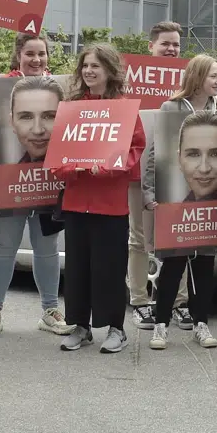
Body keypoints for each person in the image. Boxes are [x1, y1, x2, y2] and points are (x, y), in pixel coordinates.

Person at [0, 32, 70, 337]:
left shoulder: (60, 90)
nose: (36, 60)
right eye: (30, 54)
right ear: (18, 57)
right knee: (3, 248)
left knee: (47, 248)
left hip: (50, 184)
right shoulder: (0, 91)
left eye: (41, 54)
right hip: (9, 183)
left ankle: (50, 310)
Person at [55, 44, 146, 355]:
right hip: (77, 200)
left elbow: (136, 149)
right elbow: (58, 157)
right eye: (85, 66)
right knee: (78, 267)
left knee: (109, 267)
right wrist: (74, 167)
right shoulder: (72, 107)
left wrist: (108, 167)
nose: (89, 71)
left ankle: (116, 329)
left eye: (95, 66)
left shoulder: (123, 108)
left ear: (109, 70)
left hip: (110, 203)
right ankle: (80, 326)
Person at [144, 56, 217, 351]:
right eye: (214, 76)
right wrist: (149, 193)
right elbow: (156, 155)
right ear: (197, 77)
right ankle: (160, 324)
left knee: (205, 263)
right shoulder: (171, 109)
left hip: (211, 201)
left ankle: (201, 322)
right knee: (173, 263)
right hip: (176, 200)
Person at [130, 21, 189, 331]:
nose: (171, 49)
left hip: (174, 174)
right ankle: (139, 301)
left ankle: (178, 302)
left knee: (176, 239)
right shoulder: (132, 80)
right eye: (166, 43)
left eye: (176, 45)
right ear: (150, 46)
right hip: (136, 169)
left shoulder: (187, 84)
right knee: (139, 239)